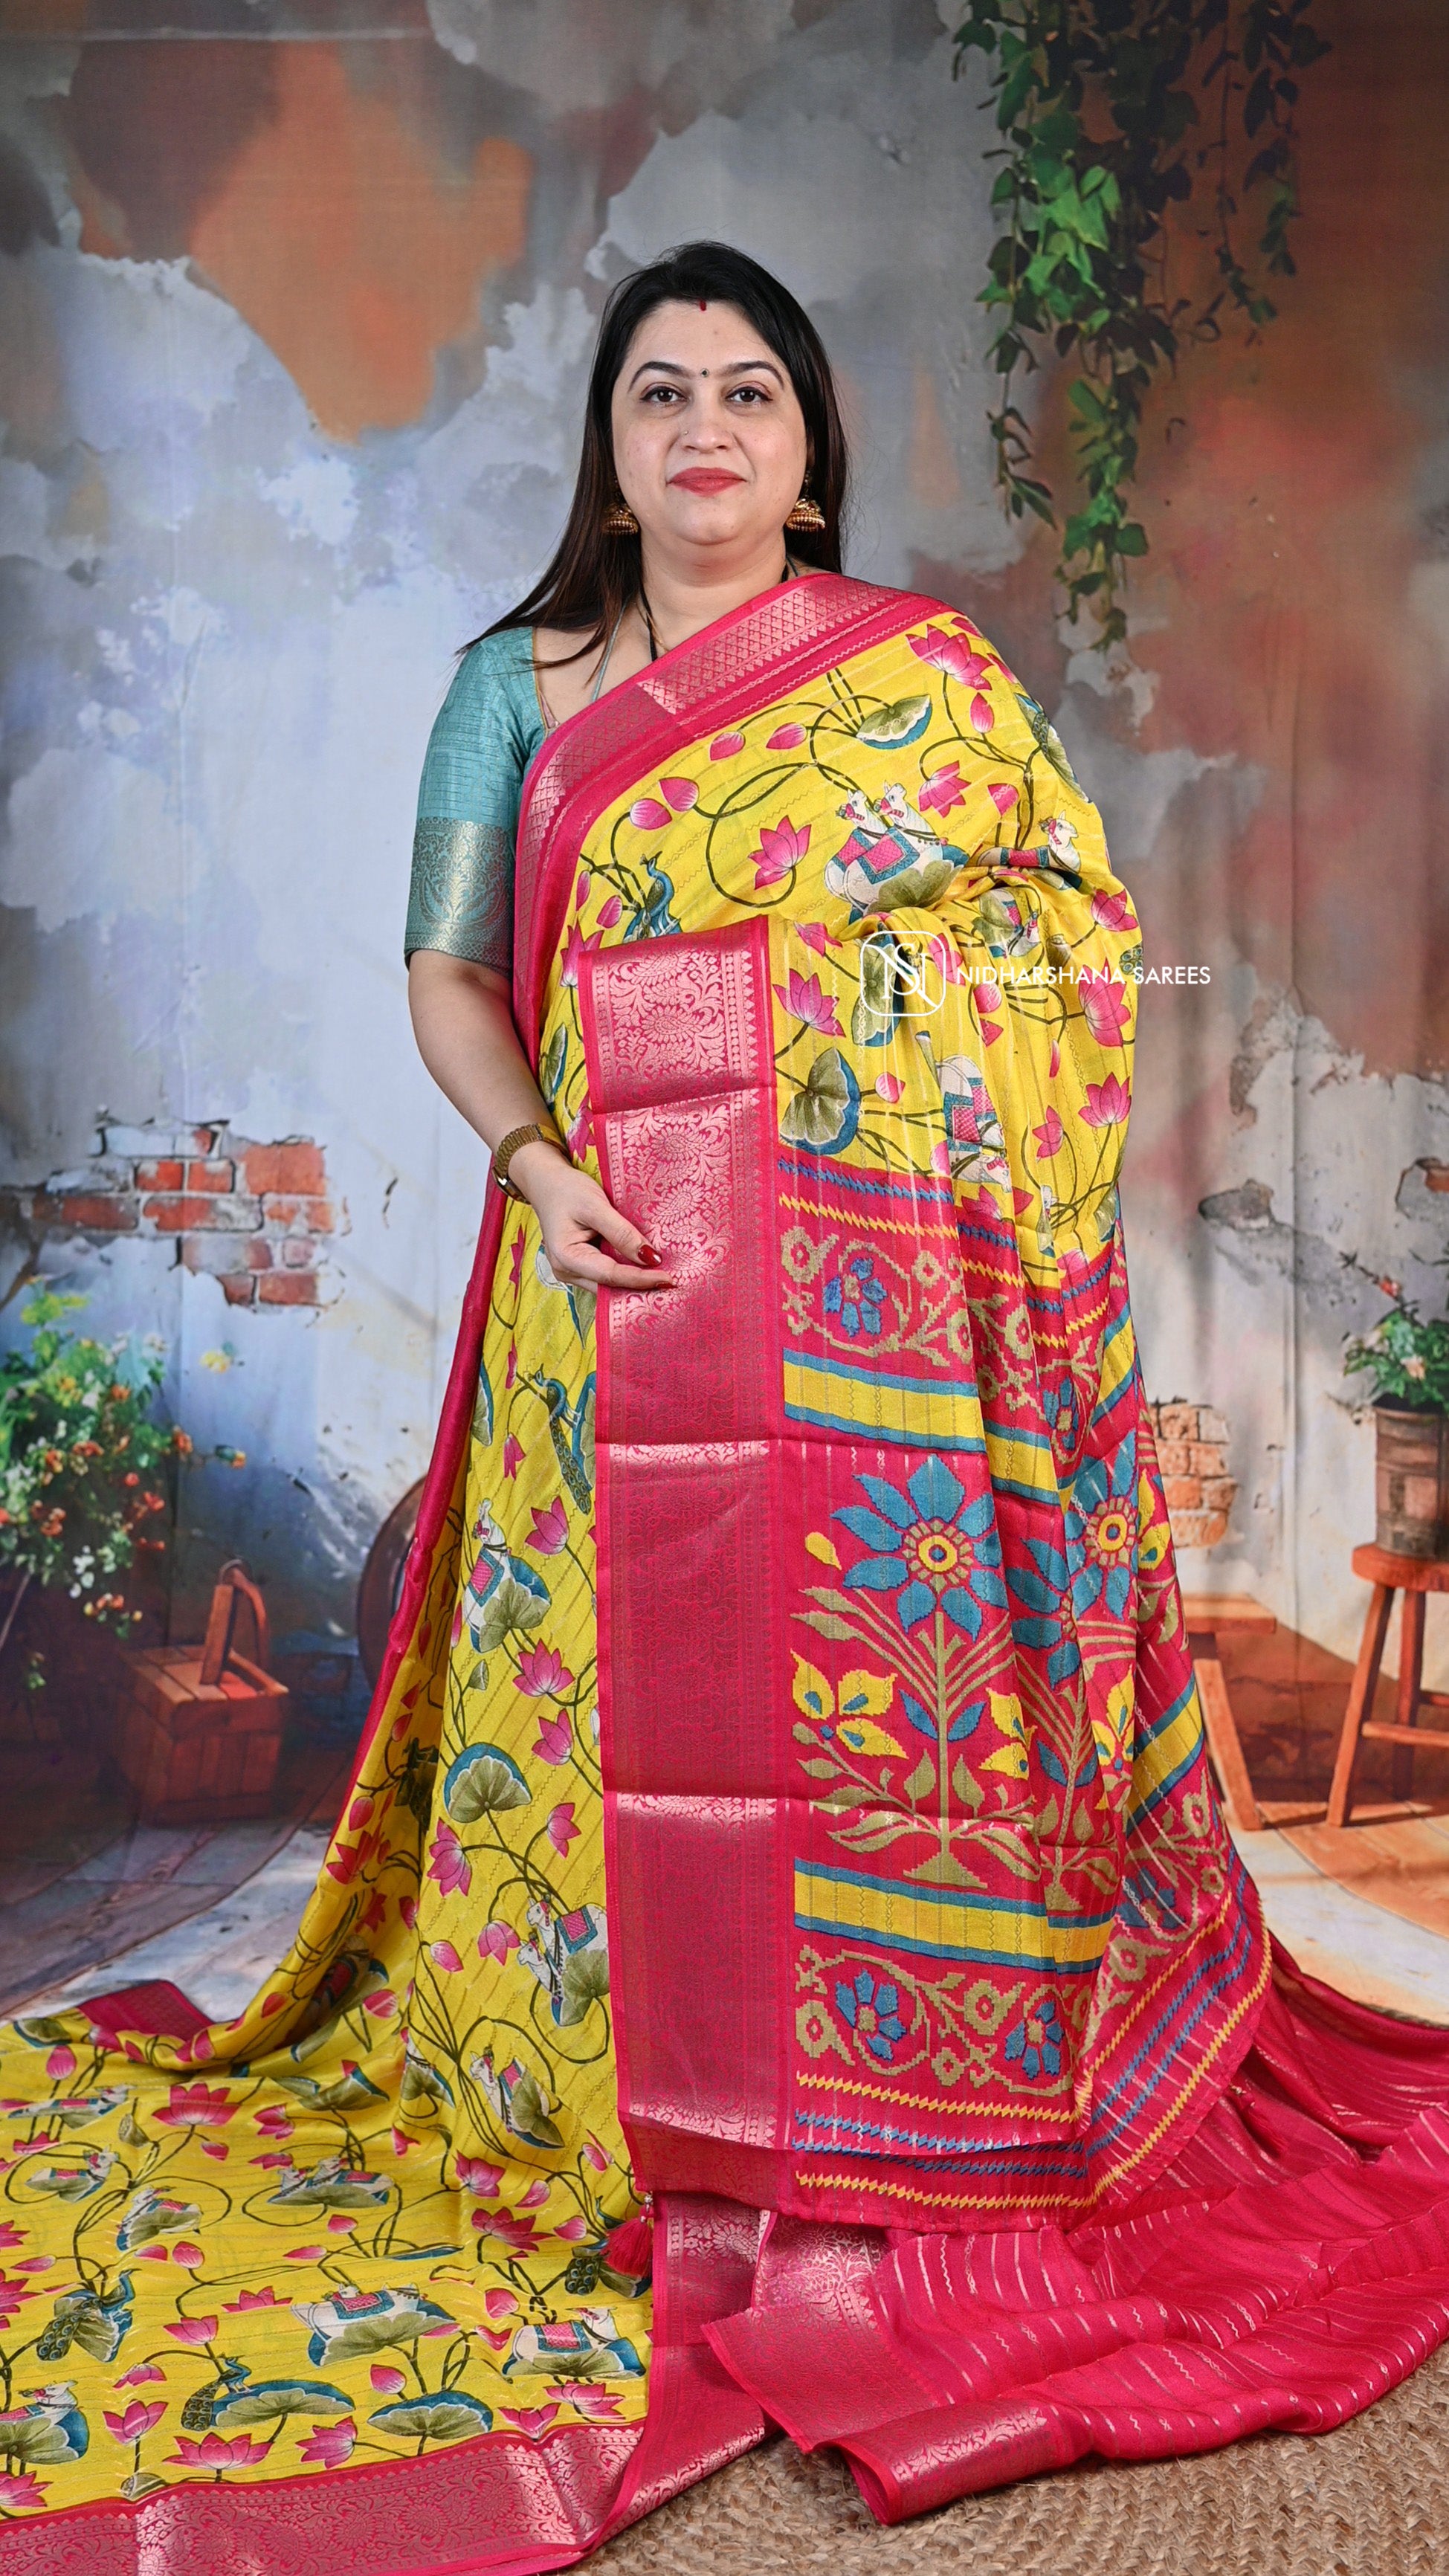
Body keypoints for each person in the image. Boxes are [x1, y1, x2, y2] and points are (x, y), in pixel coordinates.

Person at [7, 240, 1449, 2573]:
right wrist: (536, 1158)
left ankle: (861, 2126)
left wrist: (854, 1015)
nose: (702, 428)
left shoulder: (915, 692)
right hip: (604, 1295)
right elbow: (448, 975)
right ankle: (620, 2119)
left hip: (872, 1354)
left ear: (808, 452)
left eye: (748, 392)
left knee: (843, 1702)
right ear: (608, 446)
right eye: (660, 391)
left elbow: (1067, 943)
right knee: (609, 1719)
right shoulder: (512, 690)